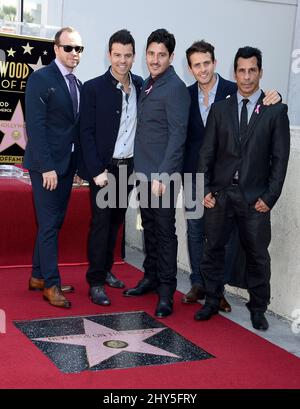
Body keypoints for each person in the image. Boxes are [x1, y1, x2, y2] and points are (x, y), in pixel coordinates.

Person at [182, 40, 281, 313]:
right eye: (196, 65)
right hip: (195, 175)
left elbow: (260, 105)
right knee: (194, 231)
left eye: (206, 63)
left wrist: (276, 97)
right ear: (190, 69)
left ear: (214, 63)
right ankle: (198, 283)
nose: (202, 69)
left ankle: (218, 290)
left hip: (228, 183)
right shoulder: (185, 95)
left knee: (223, 239)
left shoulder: (231, 88)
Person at [123, 29, 191, 318]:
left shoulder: (174, 87)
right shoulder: (150, 84)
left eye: (161, 54)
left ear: (171, 57)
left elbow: (178, 136)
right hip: (144, 172)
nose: (155, 59)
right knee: (148, 227)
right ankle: (150, 278)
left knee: (165, 232)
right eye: (151, 53)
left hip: (162, 176)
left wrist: (163, 175)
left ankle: (166, 292)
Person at [79, 29, 143, 306]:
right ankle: (95, 282)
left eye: (127, 56)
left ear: (133, 56)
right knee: (101, 224)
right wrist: (96, 171)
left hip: (128, 169)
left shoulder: (140, 85)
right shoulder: (93, 88)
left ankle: (106, 270)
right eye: (117, 55)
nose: (122, 60)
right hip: (104, 170)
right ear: (109, 54)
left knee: (116, 222)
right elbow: (85, 133)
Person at [24, 27, 84, 308]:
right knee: (49, 224)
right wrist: (47, 166)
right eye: (69, 48)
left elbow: (75, 129)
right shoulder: (40, 78)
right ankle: (51, 283)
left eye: (79, 49)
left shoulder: (78, 84)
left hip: (67, 166)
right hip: (45, 166)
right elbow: (35, 127)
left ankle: (38, 275)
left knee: (54, 222)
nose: (75, 53)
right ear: (56, 48)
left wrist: (79, 166)